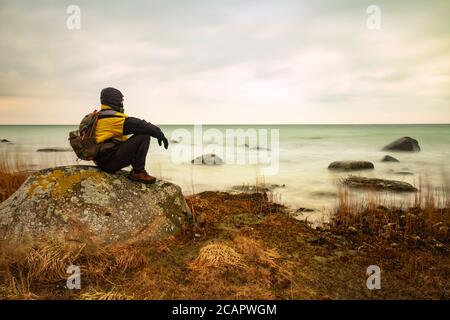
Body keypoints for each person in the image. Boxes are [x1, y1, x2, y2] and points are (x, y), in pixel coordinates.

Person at [93, 87, 169, 184]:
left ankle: (137, 170)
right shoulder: (112, 119)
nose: (122, 102)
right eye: (121, 99)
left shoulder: (99, 116)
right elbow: (140, 125)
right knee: (144, 134)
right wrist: (158, 133)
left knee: (142, 132)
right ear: (114, 100)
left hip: (101, 161)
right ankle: (138, 172)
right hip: (109, 163)